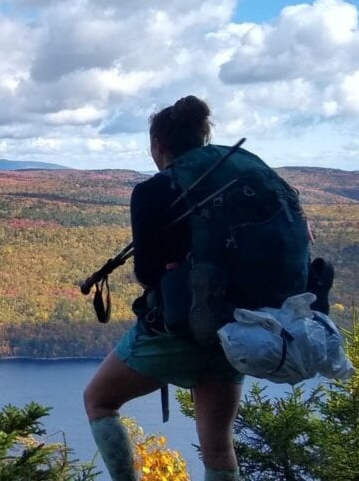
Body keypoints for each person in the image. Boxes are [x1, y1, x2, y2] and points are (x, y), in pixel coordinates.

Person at [82, 96, 244, 481]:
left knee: (98, 400)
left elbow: (148, 272)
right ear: (203, 138)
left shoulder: (153, 191)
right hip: (235, 328)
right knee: (218, 445)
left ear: (158, 146)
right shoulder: (235, 184)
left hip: (175, 328)